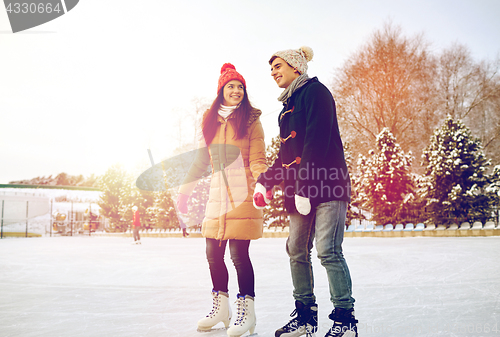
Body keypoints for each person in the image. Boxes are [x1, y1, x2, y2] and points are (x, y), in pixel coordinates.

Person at [253, 47, 358, 337]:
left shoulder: (316, 92)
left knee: (328, 251)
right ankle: (305, 318)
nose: (273, 71)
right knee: (296, 250)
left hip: (326, 185)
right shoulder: (287, 106)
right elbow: (287, 152)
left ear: (296, 66)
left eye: (277, 65)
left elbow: (317, 141)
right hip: (300, 192)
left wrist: (305, 185)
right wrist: (266, 181)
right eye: (271, 68)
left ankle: (345, 320)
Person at [177, 63, 267, 337]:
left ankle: (247, 313)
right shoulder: (210, 122)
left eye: (241, 87)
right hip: (217, 195)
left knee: (239, 255)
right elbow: (201, 161)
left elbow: (259, 158)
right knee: (213, 254)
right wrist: (185, 192)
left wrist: (263, 184)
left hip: (243, 193)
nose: (237, 90)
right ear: (221, 91)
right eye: (231, 86)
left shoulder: (251, 120)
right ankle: (221, 309)